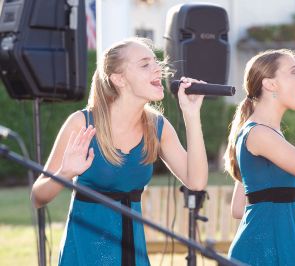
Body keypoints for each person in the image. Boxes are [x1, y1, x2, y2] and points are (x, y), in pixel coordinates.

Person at [31, 37, 208, 266]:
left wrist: (191, 114)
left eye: (155, 61)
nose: (158, 68)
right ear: (119, 79)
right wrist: (65, 173)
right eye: (145, 64)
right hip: (86, 254)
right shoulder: (82, 123)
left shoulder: (157, 126)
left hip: (132, 251)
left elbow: (196, 182)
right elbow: (38, 197)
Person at [224, 49, 295, 265]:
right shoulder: (260, 134)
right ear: (270, 84)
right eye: (294, 72)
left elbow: (240, 208)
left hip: (274, 248)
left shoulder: (265, 133)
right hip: (263, 254)